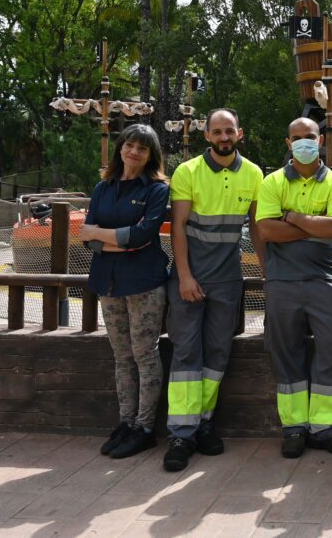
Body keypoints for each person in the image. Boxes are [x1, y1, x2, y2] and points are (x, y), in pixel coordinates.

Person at [163, 108, 265, 472]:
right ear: (207, 135)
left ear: (240, 134)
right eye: (217, 131)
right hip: (190, 276)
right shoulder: (187, 171)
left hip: (227, 277)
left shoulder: (254, 174)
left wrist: (267, 271)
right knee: (186, 352)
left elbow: (256, 228)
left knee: (218, 353)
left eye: (229, 131)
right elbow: (177, 227)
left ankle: (204, 423)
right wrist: (186, 276)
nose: (223, 137)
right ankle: (180, 433)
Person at [256, 117, 332, 458]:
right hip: (282, 282)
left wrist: (294, 218)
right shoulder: (271, 182)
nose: (304, 142)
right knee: (286, 356)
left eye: (310, 137)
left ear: (321, 140)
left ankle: (325, 428)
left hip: (324, 282)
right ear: (288, 143)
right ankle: (294, 427)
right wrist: (314, 225)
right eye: (297, 137)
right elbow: (267, 231)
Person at [81, 124, 170, 459]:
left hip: (144, 283)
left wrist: (108, 238)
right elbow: (87, 237)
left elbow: (143, 237)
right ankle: (126, 421)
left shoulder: (157, 189)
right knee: (122, 356)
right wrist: (122, 241)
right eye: (130, 145)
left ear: (151, 155)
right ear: (120, 148)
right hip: (109, 282)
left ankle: (145, 427)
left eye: (142, 148)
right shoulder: (104, 187)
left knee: (145, 354)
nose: (134, 152)